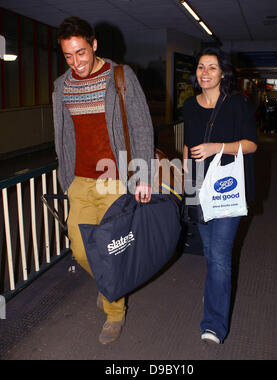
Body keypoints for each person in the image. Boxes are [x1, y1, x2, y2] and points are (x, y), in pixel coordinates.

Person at [52, 17, 154, 345]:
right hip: (79, 181)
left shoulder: (120, 76)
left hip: (114, 179)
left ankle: (115, 312)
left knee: (110, 250)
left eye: (81, 52)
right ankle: (109, 284)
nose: (76, 62)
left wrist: (142, 176)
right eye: (68, 55)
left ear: (94, 45)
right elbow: (62, 135)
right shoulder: (62, 86)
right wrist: (66, 179)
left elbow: (141, 128)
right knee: (80, 249)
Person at [183, 47, 257, 344]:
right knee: (211, 254)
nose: (205, 73)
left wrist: (216, 147)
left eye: (212, 68)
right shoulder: (189, 105)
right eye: (201, 67)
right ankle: (216, 294)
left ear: (223, 73)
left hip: (228, 189)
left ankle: (214, 324)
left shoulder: (237, 103)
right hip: (198, 187)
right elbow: (188, 148)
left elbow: (251, 145)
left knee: (220, 258)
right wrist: (185, 182)